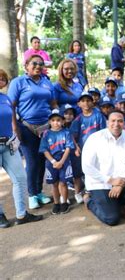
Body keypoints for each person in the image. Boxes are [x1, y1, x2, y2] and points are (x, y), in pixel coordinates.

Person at [81, 109, 125, 226]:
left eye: (120, 121)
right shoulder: (95, 139)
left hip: (120, 180)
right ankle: (89, 201)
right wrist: (110, 180)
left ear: (124, 123)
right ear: (107, 122)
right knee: (112, 219)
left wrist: (121, 182)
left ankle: (117, 204)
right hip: (100, 183)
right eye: (113, 121)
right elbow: (86, 167)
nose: (116, 124)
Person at [8, 54, 57, 209]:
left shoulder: (47, 82)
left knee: (42, 160)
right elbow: (11, 106)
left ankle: (39, 192)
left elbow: (53, 102)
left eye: (41, 64)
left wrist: (56, 115)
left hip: (45, 128)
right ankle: (31, 195)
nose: (38, 66)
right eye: (34, 63)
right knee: (32, 161)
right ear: (26, 66)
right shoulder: (19, 82)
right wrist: (15, 128)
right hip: (26, 127)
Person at [0, 69, 43, 228]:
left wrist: (15, 136)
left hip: (9, 144)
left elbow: (11, 119)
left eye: (2, 78)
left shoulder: (5, 99)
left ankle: (22, 214)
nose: (0, 81)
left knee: (20, 178)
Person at [39, 109, 75, 215]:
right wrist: (54, 161)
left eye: (58, 120)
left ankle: (64, 202)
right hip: (51, 163)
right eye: (53, 120)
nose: (56, 122)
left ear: (63, 121)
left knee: (63, 183)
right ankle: (56, 203)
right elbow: (44, 150)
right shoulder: (46, 134)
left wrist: (61, 162)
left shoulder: (66, 132)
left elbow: (68, 148)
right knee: (54, 184)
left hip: (64, 161)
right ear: (50, 122)